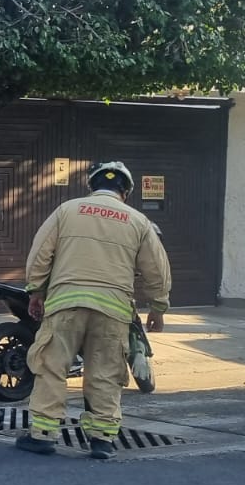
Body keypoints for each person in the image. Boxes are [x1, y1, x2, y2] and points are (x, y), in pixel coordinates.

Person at [14, 160, 172, 460]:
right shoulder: (138, 221)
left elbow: (40, 252)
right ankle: (102, 439)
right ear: (124, 191)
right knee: (106, 373)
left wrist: (36, 291)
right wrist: (158, 307)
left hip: (66, 304)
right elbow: (157, 269)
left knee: (51, 366)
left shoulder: (67, 210)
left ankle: (44, 434)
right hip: (113, 310)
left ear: (92, 186)